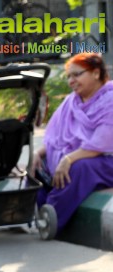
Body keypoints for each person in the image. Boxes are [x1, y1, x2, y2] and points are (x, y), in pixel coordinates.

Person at [33, 52, 113, 233]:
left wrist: (68, 159)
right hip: (82, 155)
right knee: (38, 166)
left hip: (106, 160)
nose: (71, 81)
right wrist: (38, 154)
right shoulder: (72, 102)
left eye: (77, 74)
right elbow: (57, 139)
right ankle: (31, 213)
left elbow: (99, 145)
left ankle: (51, 219)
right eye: (69, 76)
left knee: (79, 167)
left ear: (96, 73)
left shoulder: (110, 101)